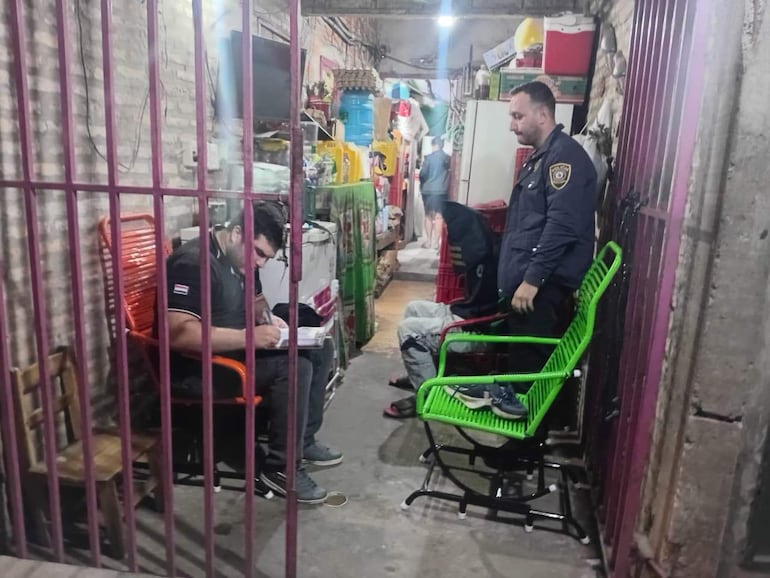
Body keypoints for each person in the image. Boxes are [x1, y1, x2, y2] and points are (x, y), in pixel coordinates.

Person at [160, 202, 342, 504]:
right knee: (295, 367)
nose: (260, 262)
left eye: (267, 257)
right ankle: (281, 468)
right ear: (236, 234)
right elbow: (179, 335)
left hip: (233, 350)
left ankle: (303, 441)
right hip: (199, 368)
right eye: (258, 252)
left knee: (321, 347)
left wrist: (269, 319)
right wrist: (249, 338)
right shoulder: (193, 264)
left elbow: (257, 301)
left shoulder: (243, 260)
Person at [447, 81, 596, 420]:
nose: (511, 125)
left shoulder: (563, 159)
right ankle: (518, 441)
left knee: (528, 380)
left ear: (542, 115)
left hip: (540, 292)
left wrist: (532, 280)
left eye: (518, 116)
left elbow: (561, 226)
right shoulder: (540, 158)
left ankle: (525, 444)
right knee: (520, 371)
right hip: (528, 290)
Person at [383, 201, 499, 419]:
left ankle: (428, 395)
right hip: (466, 315)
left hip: (476, 330)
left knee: (408, 331)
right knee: (414, 308)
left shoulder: (487, 263)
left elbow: (485, 312)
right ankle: (421, 375)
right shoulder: (480, 258)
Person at [418, 137, 451, 250]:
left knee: (428, 215)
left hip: (428, 190)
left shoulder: (429, 158)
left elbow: (423, 174)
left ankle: (428, 241)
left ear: (433, 145)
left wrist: (423, 184)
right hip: (442, 191)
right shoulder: (447, 158)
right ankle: (437, 243)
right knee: (439, 217)